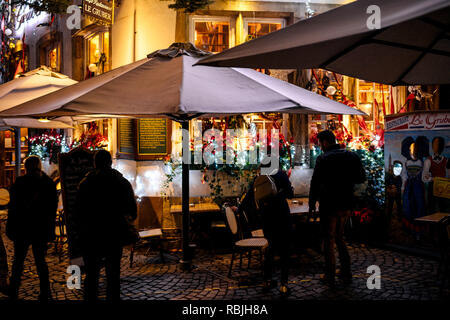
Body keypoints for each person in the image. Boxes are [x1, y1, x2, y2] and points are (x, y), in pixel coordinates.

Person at [75, 150, 137, 301]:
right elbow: (132, 211)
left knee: (91, 274)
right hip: (114, 234)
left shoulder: (85, 183)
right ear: (110, 162)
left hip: (92, 234)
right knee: (113, 274)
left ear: (94, 163)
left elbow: (78, 211)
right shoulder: (121, 182)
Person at [309, 130, 366, 288]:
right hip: (346, 203)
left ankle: (329, 275)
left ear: (325, 142)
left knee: (329, 239)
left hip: (329, 204)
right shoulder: (351, 156)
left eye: (320, 143)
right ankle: (346, 271)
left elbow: (315, 182)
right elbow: (361, 177)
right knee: (340, 237)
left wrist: (312, 203)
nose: (320, 147)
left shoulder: (323, 158)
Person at [237, 160, 294, 295]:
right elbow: (290, 195)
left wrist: (238, 210)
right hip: (282, 215)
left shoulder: (259, 179)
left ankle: (267, 281)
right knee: (284, 250)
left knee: (270, 248)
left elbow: (248, 199)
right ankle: (284, 284)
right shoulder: (281, 175)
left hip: (267, 217)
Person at [6, 155, 58, 300]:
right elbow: (52, 208)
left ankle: (14, 290)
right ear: (39, 166)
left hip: (22, 228)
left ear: (26, 167)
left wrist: (10, 228)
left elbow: (14, 208)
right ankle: (45, 291)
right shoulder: (48, 183)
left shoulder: (20, 183)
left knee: (18, 261)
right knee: (41, 261)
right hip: (40, 229)